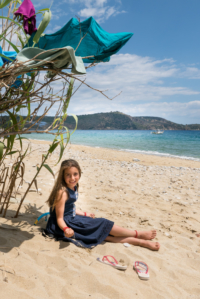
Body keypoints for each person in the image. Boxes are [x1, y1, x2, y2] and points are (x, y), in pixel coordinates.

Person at [45, 159, 160, 250]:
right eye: (68, 175)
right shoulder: (62, 192)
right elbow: (60, 218)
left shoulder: (73, 186)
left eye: (75, 174)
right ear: (62, 176)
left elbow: (70, 208)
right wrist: (66, 229)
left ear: (79, 173)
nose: (72, 178)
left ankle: (139, 240)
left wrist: (84, 213)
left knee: (102, 233)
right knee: (103, 226)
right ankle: (137, 235)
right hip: (64, 224)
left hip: (71, 218)